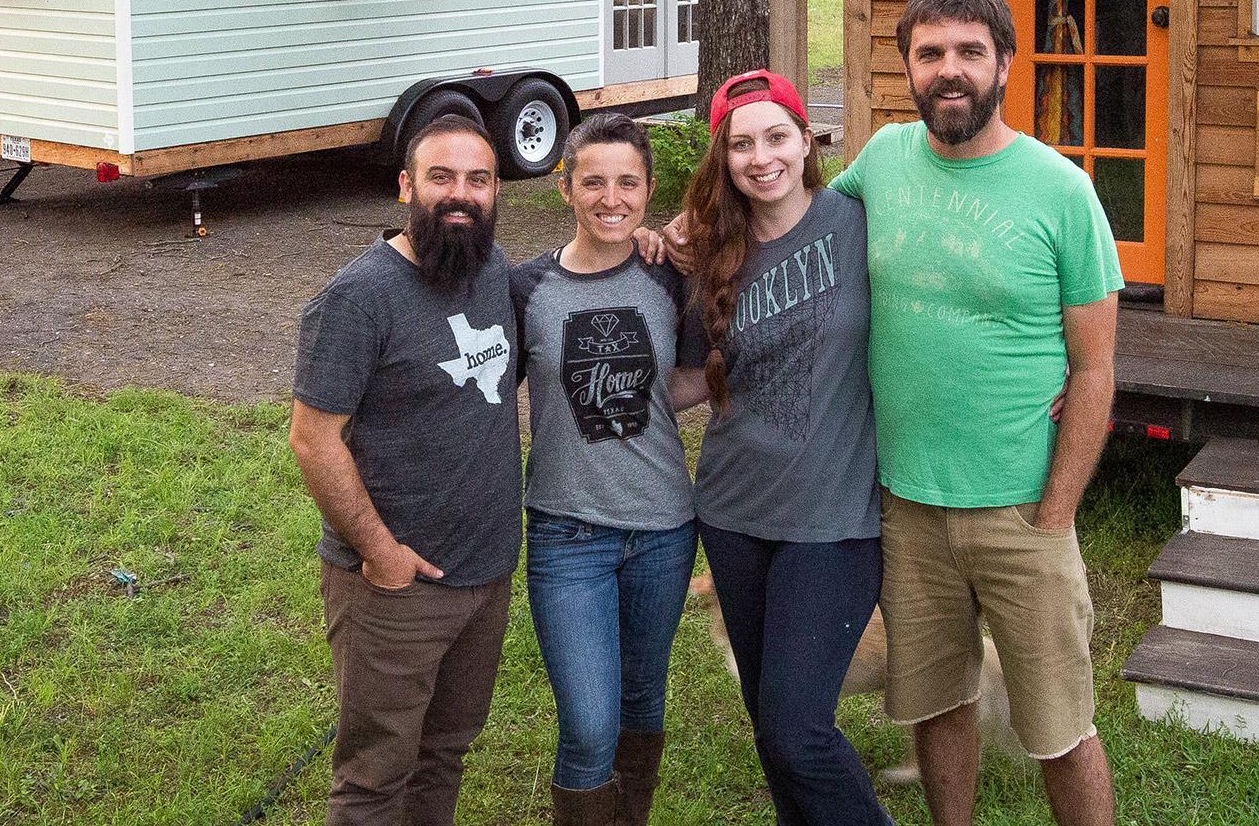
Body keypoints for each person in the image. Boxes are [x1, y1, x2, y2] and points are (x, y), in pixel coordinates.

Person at [830, 0, 1122, 826]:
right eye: (930, 54)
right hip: (908, 506)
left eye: (968, 52)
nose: (948, 70)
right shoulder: (881, 161)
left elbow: (1096, 369)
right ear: (909, 69)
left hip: (1023, 510)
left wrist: (1058, 510)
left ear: (1004, 66)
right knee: (935, 703)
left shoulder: (1059, 192)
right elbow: (791, 221)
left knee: (1059, 727)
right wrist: (681, 229)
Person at [288, 113, 520, 826]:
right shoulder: (359, 298)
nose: (460, 194)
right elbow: (312, 439)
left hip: (484, 574)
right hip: (396, 586)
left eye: (477, 179)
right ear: (404, 187)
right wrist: (380, 553)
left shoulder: (493, 271)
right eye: (440, 177)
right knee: (374, 776)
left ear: (496, 190)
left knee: (445, 754)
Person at [682, 69, 895, 826]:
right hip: (734, 514)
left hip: (834, 521)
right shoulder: (709, 251)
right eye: (741, 144)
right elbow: (685, 378)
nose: (761, 157)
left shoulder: (860, 222)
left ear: (808, 141)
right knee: (771, 733)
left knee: (797, 731)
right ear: (723, 158)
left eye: (777, 137)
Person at [510, 113, 705, 826]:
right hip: (567, 534)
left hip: (662, 529)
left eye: (628, 183)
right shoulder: (526, 289)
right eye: (593, 181)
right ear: (565, 188)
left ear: (650, 190)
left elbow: (684, 380)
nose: (611, 198)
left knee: (641, 704)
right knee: (590, 725)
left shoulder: (665, 275)